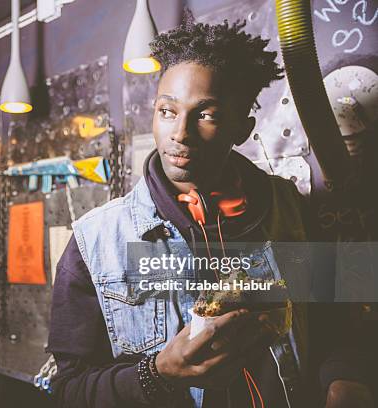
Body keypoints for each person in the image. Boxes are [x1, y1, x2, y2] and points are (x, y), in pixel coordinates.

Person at [47, 21, 373, 407]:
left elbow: (337, 323)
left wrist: (344, 378)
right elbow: (68, 389)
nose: (179, 133)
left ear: (242, 128)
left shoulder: (291, 211)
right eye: (167, 111)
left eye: (206, 115)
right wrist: (158, 373)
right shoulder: (95, 240)